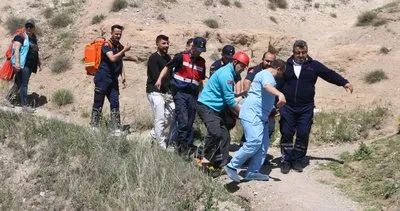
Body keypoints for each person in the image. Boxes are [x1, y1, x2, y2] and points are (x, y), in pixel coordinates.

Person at [279, 40, 353, 174]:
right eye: (298, 53)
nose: (301, 55)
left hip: (306, 107)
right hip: (288, 106)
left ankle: (297, 159)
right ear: (293, 52)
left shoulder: (313, 65)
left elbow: (329, 74)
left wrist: (344, 82)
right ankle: (286, 160)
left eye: (303, 52)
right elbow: (275, 81)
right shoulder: (285, 66)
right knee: (287, 132)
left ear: (307, 52)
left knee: (303, 133)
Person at [224, 59, 287, 182]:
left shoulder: (266, 76)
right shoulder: (266, 74)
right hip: (252, 114)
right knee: (254, 142)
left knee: (263, 146)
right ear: (279, 69)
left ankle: (252, 172)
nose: (282, 75)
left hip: (261, 117)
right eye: (282, 72)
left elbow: (263, 94)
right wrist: (280, 94)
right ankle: (232, 166)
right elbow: (266, 86)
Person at [197, 51, 250, 171]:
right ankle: (199, 155)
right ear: (235, 62)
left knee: (225, 136)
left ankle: (220, 164)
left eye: (245, 67)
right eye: (242, 66)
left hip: (216, 109)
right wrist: (242, 114)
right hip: (207, 107)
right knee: (215, 133)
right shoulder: (226, 74)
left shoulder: (231, 73)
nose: (242, 69)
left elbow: (230, 97)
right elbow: (230, 101)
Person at [155, 36, 207, 159]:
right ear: (193, 47)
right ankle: (181, 151)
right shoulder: (181, 57)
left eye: (201, 50)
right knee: (183, 121)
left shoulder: (202, 62)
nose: (199, 52)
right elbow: (167, 67)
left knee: (189, 123)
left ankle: (185, 146)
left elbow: (200, 80)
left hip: (193, 95)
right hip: (180, 93)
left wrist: (202, 94)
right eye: (198, 49)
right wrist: (159, 79)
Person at [89, 24, 131, 136]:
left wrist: (123, 76)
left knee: (115, 102)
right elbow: (112, 58)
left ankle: (115, 128)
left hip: (113, 79)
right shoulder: (106, 44)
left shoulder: (120, 46)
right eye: (116, 33)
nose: (118, 35)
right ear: (111, 33)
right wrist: (124, 50)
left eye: (120, 34)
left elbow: (120, 62)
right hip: (102, 78)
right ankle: (94, 126)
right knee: (98, 102)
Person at [3, 19, 42, 112]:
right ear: (25, 27)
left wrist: (39, 62)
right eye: (27, 26)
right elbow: (16, 49)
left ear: (34, 28)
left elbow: (35, 51)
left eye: (30, 26)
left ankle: (7, 99)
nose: (28, 28)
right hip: (22, 65)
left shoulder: (33, 38)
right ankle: (25, 106)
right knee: (24, 84)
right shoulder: (21, 36)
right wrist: (17, 63)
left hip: (29, 65)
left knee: (19, 83)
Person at [240, 51, 277, 144]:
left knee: (270, 128)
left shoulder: (275, 72)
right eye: (267, 61)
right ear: (262, 59)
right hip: (256, 106)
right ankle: (244, 147)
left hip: (269, 106)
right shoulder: (256, 70)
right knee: (252, 128)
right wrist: (247, 99)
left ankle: (258, 152)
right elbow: (247, 82)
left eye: (271, 62)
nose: (269, 63)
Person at [146, 35, 174, 148]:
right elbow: (155, 77)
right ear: (157, 44)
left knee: (172, 114)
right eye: (163, 43)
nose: (166, 46)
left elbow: (171, 76)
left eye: (167, 43)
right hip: (154, 91)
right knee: (160, 117)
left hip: (166, 92)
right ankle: (161, 144)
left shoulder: (168, 58)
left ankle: (153, 134)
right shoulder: (153, 58)